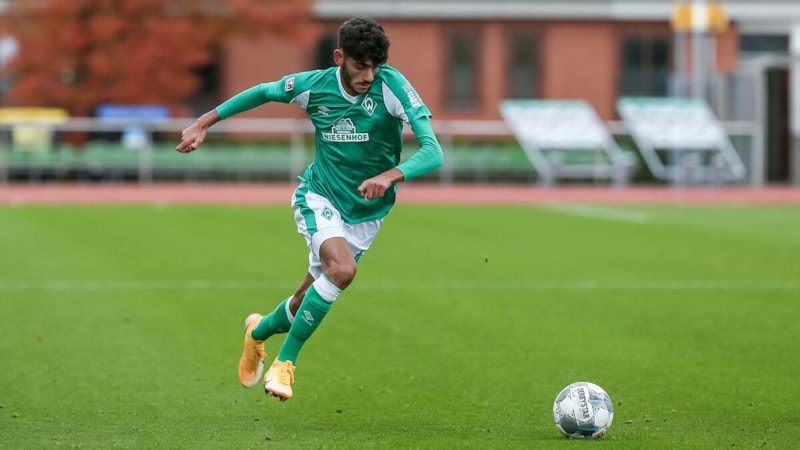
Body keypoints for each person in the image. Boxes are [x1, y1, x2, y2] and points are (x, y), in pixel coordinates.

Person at [176, 17, 443, 401]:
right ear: (339, 57)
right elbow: (263, 91)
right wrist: (204, 122)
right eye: (360, 65)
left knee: (307, 299)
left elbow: (433, 151)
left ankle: (257, 332)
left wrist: (391, 175)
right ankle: (284, 365)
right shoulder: (314, 86)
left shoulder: (392, 86)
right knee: (342, 271)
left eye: (375, 66)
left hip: (367, 213)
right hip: (319, 197)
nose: (368, 76)